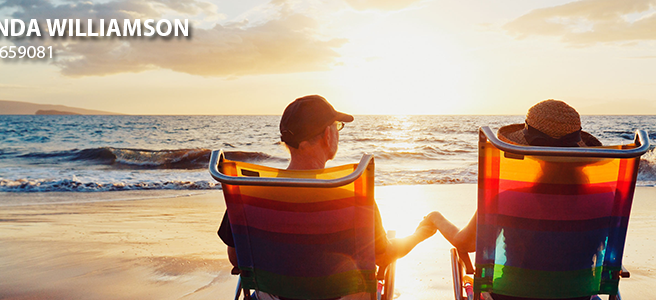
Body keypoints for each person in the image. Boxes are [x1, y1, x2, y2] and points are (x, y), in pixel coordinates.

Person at [217, 95, 436, 273]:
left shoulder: (251, 193)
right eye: (337, 126)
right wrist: (419, 235)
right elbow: (383, 256)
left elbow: (237, 257)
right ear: (327, 136)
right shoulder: (353, 195)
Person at [422, 99, 602, 253]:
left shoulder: (507, 199)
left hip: (508, 295)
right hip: (581, 295)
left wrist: (435, 217)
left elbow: (465, 243)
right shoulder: (602, 203)